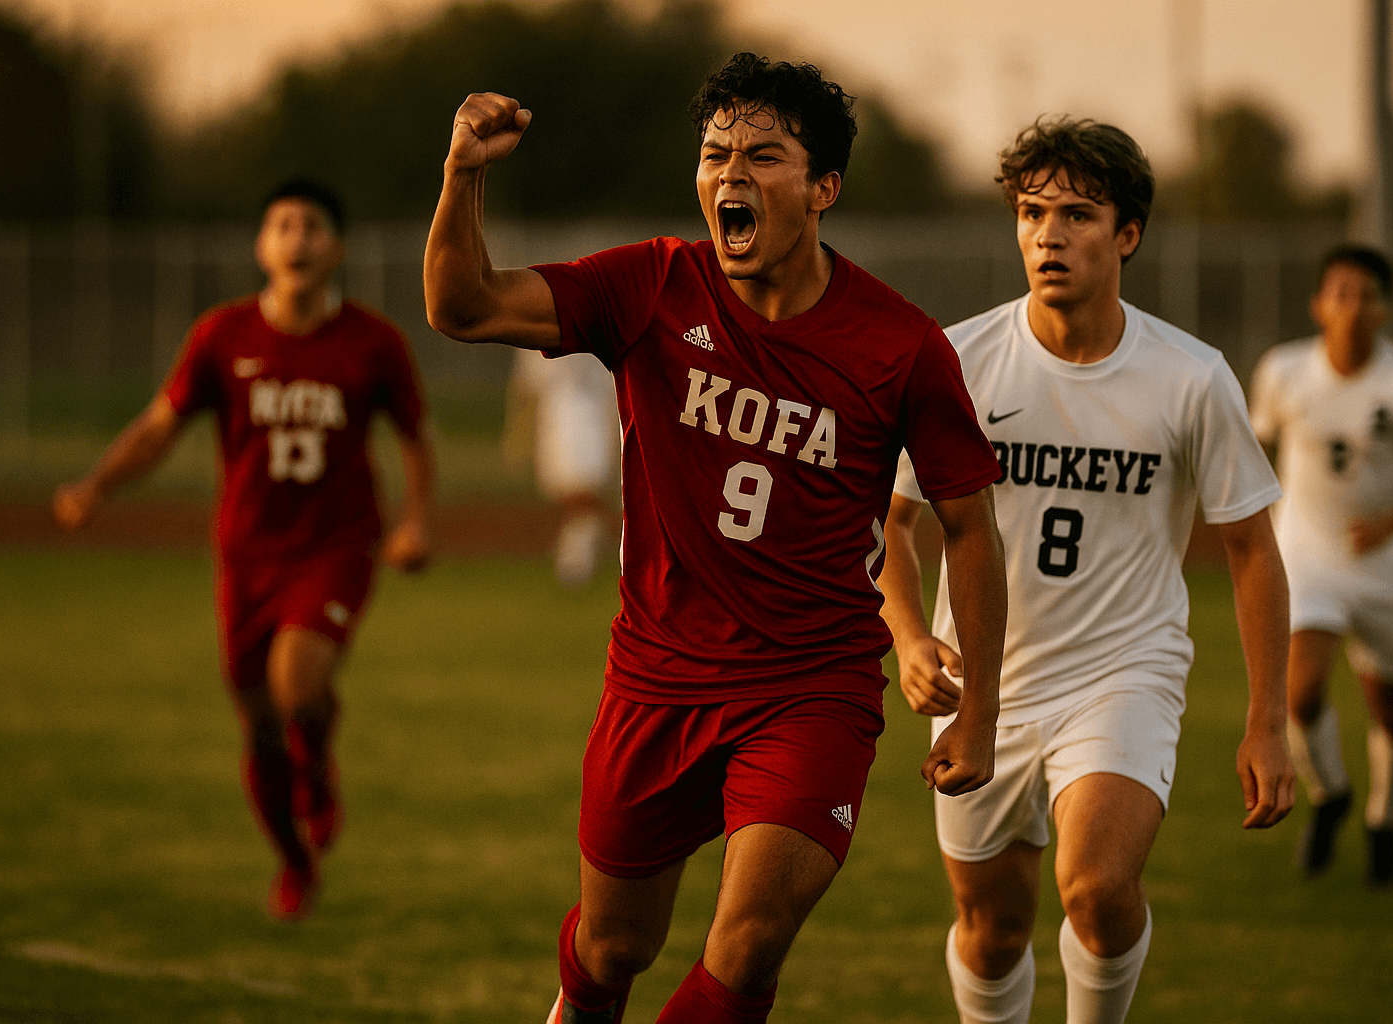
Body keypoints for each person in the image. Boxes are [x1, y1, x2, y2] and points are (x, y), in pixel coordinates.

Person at [424, 52, 1007, 1023]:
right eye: (714, 152)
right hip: (655, 681)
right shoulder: (652, 284)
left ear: (824, 188)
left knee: (746, 944)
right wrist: (464, 171)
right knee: (614, 948)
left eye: (763, 155)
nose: (730, 173)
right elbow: (464, 305)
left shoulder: (900, 344)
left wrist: (978, 707)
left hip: (810, 689)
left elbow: (968, 526)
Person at [877, 117, 1296, 1024]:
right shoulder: (956, 360)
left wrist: (1269, 720)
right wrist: (910, 635)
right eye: (1031, 212)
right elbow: (891, 521)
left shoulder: (1191, 377)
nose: (1048, 235)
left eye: (1076, 214)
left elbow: (1254, 549)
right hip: (986, 684)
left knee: (1098, 890)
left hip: (1124, 672)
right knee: (990, 928)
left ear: (1127, 234)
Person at [53, 179, 435, 920]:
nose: (297, 238)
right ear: (262, 246)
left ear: (338, 248)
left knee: (297, 682)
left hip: (337, 545)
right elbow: (160, 426)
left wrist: (414, 521)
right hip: (247, 554)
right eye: (282, 225)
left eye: (313, 225)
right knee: (259, 724)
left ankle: (316, 764)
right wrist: (98, 484)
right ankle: (294, 862)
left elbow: (415, 437)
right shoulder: (222, 337)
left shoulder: (373, 342)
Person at [1249, 245, 1393, 886]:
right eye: (1338, 292)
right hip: (1308, 553)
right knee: (1300, 690)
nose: (1351, 305)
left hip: (1388, 564)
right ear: (1318, 305)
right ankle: (1330, 795)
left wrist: (1392, 523)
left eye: (1365, 294)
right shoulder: (1284, 371)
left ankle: (1385, 821)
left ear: (1384, 310)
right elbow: (1256, 447)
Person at [506, 347, 621, 587]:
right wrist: (519, 430)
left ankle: (581, 550)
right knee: (563, 487)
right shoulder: (540, 327)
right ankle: (587, 534)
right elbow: (527, 381)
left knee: (586, 483)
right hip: (557, 409)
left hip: (594, 407)